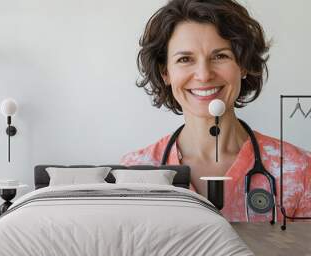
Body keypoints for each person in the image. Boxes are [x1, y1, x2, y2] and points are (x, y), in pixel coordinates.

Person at [120, 0, 311, 222]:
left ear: (243, 65)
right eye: (185, 59)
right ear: (165, 73)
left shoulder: (299, 170)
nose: (203, 74)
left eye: (220, 56)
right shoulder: (132, 174)